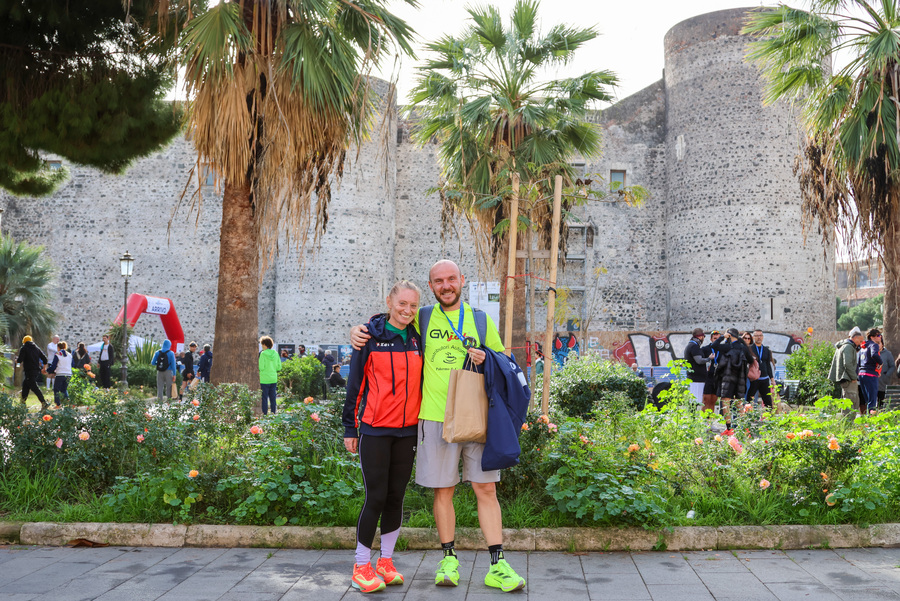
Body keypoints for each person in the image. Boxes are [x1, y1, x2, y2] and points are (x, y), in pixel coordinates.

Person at [351, 260, 526, 593]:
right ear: (431, 286)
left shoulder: (480, 319)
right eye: (438, 281)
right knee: (443, 491)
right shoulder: (423, 316)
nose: (446, 286)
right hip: (434, 417)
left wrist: (486, 357)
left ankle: (497, 564)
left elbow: (506, 362)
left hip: (475, 415)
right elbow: (392, 320)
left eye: (451, 279)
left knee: (486, 490)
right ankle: (448, 560)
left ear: (462, 280)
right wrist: (360, 329)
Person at [343, 280, 423, 593]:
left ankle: (385, 562)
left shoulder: (418, 338)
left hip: (408, 431)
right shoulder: (369, 337)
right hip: (375, 430)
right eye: (402, 303)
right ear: (389, 302)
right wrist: (350, 428)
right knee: (375, 497)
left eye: (413, 305)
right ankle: (361, 566)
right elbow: (355, 385)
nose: (407, 310)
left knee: (396, 498)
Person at [711, 328, 755, 433]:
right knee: (739, 403)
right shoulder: (743, 347)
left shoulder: (727, 347)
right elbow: (751, 360)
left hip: (727, 379)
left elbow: (714, 346)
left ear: (729, 335)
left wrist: (722, 337)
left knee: (726, 403)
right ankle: (744, 428)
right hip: (740, 379)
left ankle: (729, 429)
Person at [828, 327, 865, 413]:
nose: (860, 344)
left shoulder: (846, 346)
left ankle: (848, 419)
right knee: (850, 402)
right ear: (855, 338)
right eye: (860, 341)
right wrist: (854, 377)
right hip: (848, 379)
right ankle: (848, 420)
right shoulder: (848, 347)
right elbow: (847, 364)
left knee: (850, 401)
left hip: (847, 378)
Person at [746, 329, 775, 409]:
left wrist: (772, 379)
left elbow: (768, 365)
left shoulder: (766, 350)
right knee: (749, 400)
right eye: (756, 336)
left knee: (768, 401)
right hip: (753, 379)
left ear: (763, 337)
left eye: (760, 335)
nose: (759, 337)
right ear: (753, 337)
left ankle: (769, 416)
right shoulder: (749, 349)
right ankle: (748, 415)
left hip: (764, 378)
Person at [17, 336, 48, 410]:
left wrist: (16, 361)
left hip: (29, 371)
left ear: (24, 342)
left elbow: (19, 360)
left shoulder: (24, 348)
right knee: (25, 386)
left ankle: (44, 402)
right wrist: (44, 369)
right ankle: (22, 404)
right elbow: (45, 359)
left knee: (34, 387)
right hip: (36, 371)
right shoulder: (36, 348)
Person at [858, 328, 883, 414]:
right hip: (870, 374)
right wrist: (881, 362)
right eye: (878, 335)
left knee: (867, 400)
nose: (880, 337)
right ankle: (871, 420)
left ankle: (867, 418)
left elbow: (859, 362)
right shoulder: (874, 345)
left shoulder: (863, 347)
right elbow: (874, 354)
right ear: (872, 337)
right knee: (872, 400)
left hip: (861, 374)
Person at [684, 328, 712, 405]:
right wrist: (709, 358)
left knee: (694, 402)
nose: (704, 338)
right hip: (696, 379)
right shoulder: (694, 346)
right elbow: (699, 360)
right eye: (703, 336)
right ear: (700, 336)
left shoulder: (691, 345)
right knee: (694, 403)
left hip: (695, 379)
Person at [259, 336, 282, 415]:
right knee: (273, 398)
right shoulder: (276, 353)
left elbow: (261, 367)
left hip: (264, 379)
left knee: (264, 398)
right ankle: (273, 413)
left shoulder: (263, 354)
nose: (261, 346)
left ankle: (265, 414)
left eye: (262, 344)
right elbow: (279, 367)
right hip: (273, 378)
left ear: (265, 344)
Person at [47, 341, 73, 407]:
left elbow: (53, 366)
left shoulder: (58, 354)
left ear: (58, 347)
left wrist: (48, 370)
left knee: (56, 389)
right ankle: (68, 402)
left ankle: (58, 404)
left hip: (60, 374)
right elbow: (72, 364)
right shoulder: (69, 355)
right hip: (68, 374)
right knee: (64, 389)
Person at [702, 331, 721, 413]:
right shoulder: (705, 349)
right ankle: (704, 419)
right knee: (706, 400)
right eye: (715, 338)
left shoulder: (722, 349)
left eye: (718, 339)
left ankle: (710, 419)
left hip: (717, 377)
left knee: (713, 400)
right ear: (711, 339)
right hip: (707, 377)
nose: (716, 340)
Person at [878, 341, 895, 408]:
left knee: (882, 401)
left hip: (883, 381)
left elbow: (892, 366)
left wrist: (887, 375)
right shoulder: (871, 353)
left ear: (882, 344)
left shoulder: (887, 354)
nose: (877, 345)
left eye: (879, 343)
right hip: (873, 380)